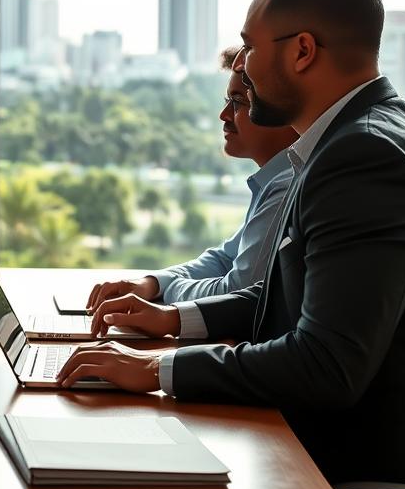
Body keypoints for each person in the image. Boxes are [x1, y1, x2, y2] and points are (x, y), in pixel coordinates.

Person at [61, 0, 405, 489]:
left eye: (249, 46)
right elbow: (282, 295)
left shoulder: (366, 156)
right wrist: (172, 323)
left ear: (301, 51)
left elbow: (325, 365)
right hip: (363, 441)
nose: (241, 63)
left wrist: (157, 371)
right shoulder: (348, 140)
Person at [87, 46, 298, 308]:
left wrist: (169, 291)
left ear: (284, 113)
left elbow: (235, 290)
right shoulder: (272, 181)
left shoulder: (286, 185)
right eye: (226, 102)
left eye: (238, 102)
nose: (223, 115)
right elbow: (224, 258)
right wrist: (151, 285)